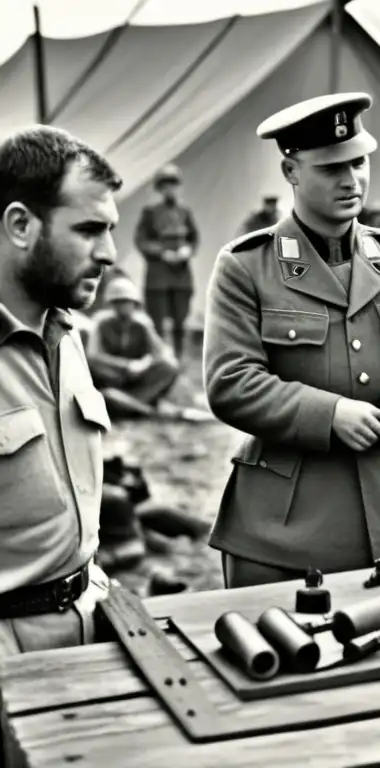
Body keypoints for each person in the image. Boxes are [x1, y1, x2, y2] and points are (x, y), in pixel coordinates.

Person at [203, 93, 380, 589]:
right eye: (331, 168)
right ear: (291, 171)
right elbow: (231, 382)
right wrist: (332, 415)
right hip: (286, 533)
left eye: (359, 162)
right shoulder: (246, 266)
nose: (351, 180)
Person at [0, 125, 121, 658]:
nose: (110, 253)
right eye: (90, 229)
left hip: (90, 616)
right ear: (21, 225)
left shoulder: (65, 336)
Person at [85, 274, 182, 419]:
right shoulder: (101, 322)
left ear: (135, 303)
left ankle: (134, 404)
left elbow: (163, 352)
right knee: (108, 395)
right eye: (119, 302)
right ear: (111, 304)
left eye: (127, 302)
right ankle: (147, 410)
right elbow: (93, 356)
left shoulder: (142, 324)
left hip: (138, 382)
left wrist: (144, 363)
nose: (123, 306)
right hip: (112, 380)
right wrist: (125, 365)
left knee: (170, 365)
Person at [132, 163, 199, 359]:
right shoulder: (150, 212)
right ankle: (159, 360)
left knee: (181, 322)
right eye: (166, 185)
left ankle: (179, 361)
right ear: (160, 188)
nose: (171, 189)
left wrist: (188, 250)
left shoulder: (185, 211)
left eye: (175, 184)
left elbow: (194, 238)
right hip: (158, 275)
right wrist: (162, 253)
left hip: (181, 276)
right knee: (157, 324)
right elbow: (141, 240)